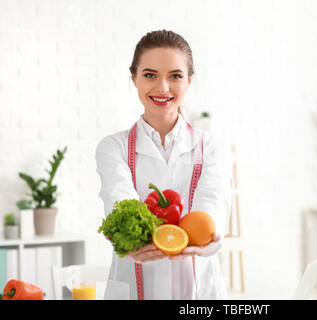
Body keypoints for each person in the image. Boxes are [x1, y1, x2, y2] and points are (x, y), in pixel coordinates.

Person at [95, 30, 231, 300]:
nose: (163, 88)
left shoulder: (212, 146)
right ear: (133, 78)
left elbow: (212, 201)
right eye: (150, 75)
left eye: (175, 76)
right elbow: (118, 198)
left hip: (199, 290)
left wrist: (204, 235)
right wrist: (129, 235)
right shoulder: (114, 147)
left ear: (189, 80)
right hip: (133, 286)